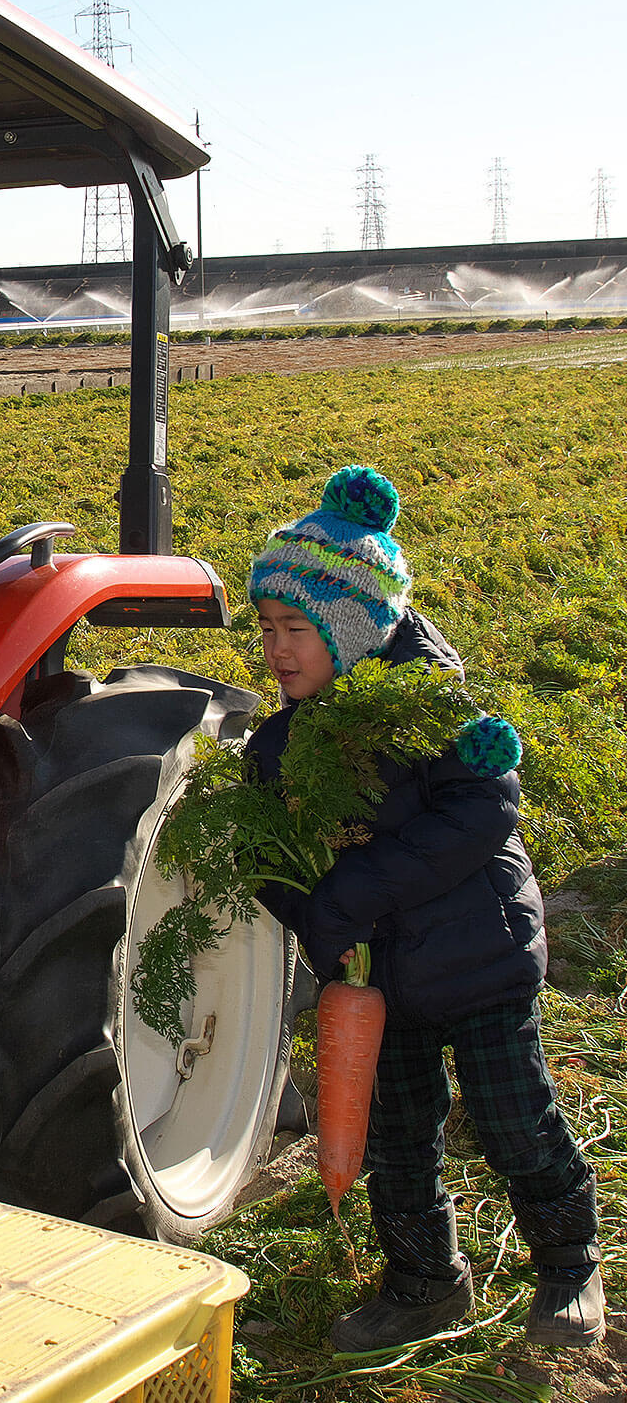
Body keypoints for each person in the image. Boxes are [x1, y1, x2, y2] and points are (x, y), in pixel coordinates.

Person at [245, 465, 603, 1352]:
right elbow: (264, 854)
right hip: (380, 983)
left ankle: (569, 1266)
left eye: (297, 629)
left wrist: (350, 893)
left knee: (512, 1120)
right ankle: (423, 1282)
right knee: (395, 1139)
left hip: (479, 959)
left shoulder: (430, 707)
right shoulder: (282, 744)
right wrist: (315, 917)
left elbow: (483, 811)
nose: (277, 649)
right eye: (267, 628)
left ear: (352, 630)